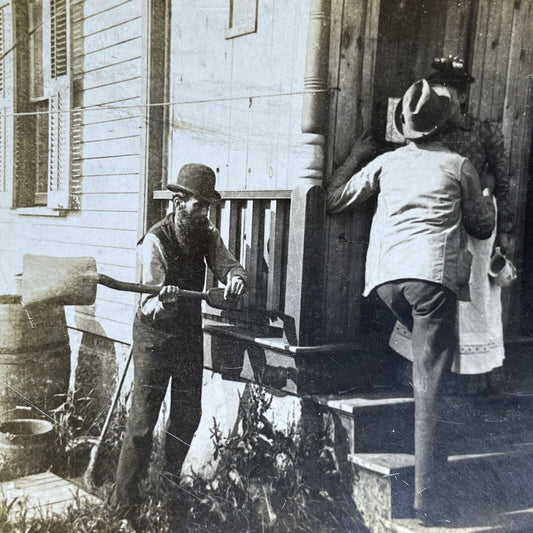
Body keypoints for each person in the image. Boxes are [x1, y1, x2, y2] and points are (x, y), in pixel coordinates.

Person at [326, 79, 495, 525]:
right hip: (431, 282)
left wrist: (357, 155)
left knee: (422, 358)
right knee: (432, 391)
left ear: (405, 125)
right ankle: (429, 504)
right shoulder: (459, 165)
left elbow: (334, 198)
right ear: (444, 127)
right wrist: (489, 202)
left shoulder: (386, 163)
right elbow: (480, 227)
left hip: (386, 284)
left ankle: (415, 368)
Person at [111, 163, 246, 515]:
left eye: (207, 206)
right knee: (142, 423)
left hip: (188, 335)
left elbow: (228, 263)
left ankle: (167, 485)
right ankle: (123, 505)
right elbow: (147, 304)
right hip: (154, 337)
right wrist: (162, 300)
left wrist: (235, 277)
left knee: (187, 415)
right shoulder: (155, 240)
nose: (204, 213)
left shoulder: (205, 233)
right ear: (177, 202)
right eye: (197, 205)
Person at [390, 57, 515, 387]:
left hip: (476, 224)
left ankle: (475, 373)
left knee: (475, 294)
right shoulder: (430, 129)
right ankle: (422, 366)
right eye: (439, 92)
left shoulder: (484, 131)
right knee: (433, 287)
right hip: (440, 219)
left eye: (450, 92)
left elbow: (503, 179)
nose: (444, 99)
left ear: (461, 96)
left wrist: (506, 230)